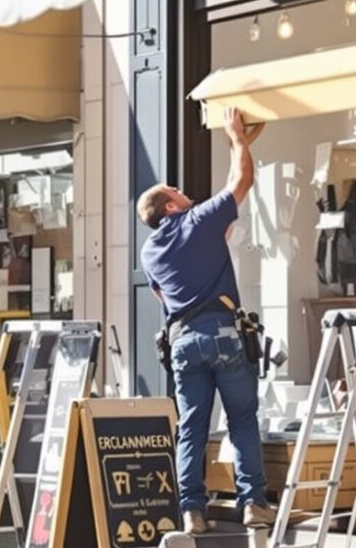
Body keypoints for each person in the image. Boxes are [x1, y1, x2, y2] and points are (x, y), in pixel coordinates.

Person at [137, 109, 273, 533]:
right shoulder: (196, 219)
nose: (186, 193)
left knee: (192, 426)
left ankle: (192, 510)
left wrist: (243, 144)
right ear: (171, 205)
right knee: (242, 420)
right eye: (177, 191)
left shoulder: (150, 252)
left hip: (183, 340)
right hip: (223, 334)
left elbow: (164, 295)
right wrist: (238, 140)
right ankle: (252, 503)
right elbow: (241, 183)